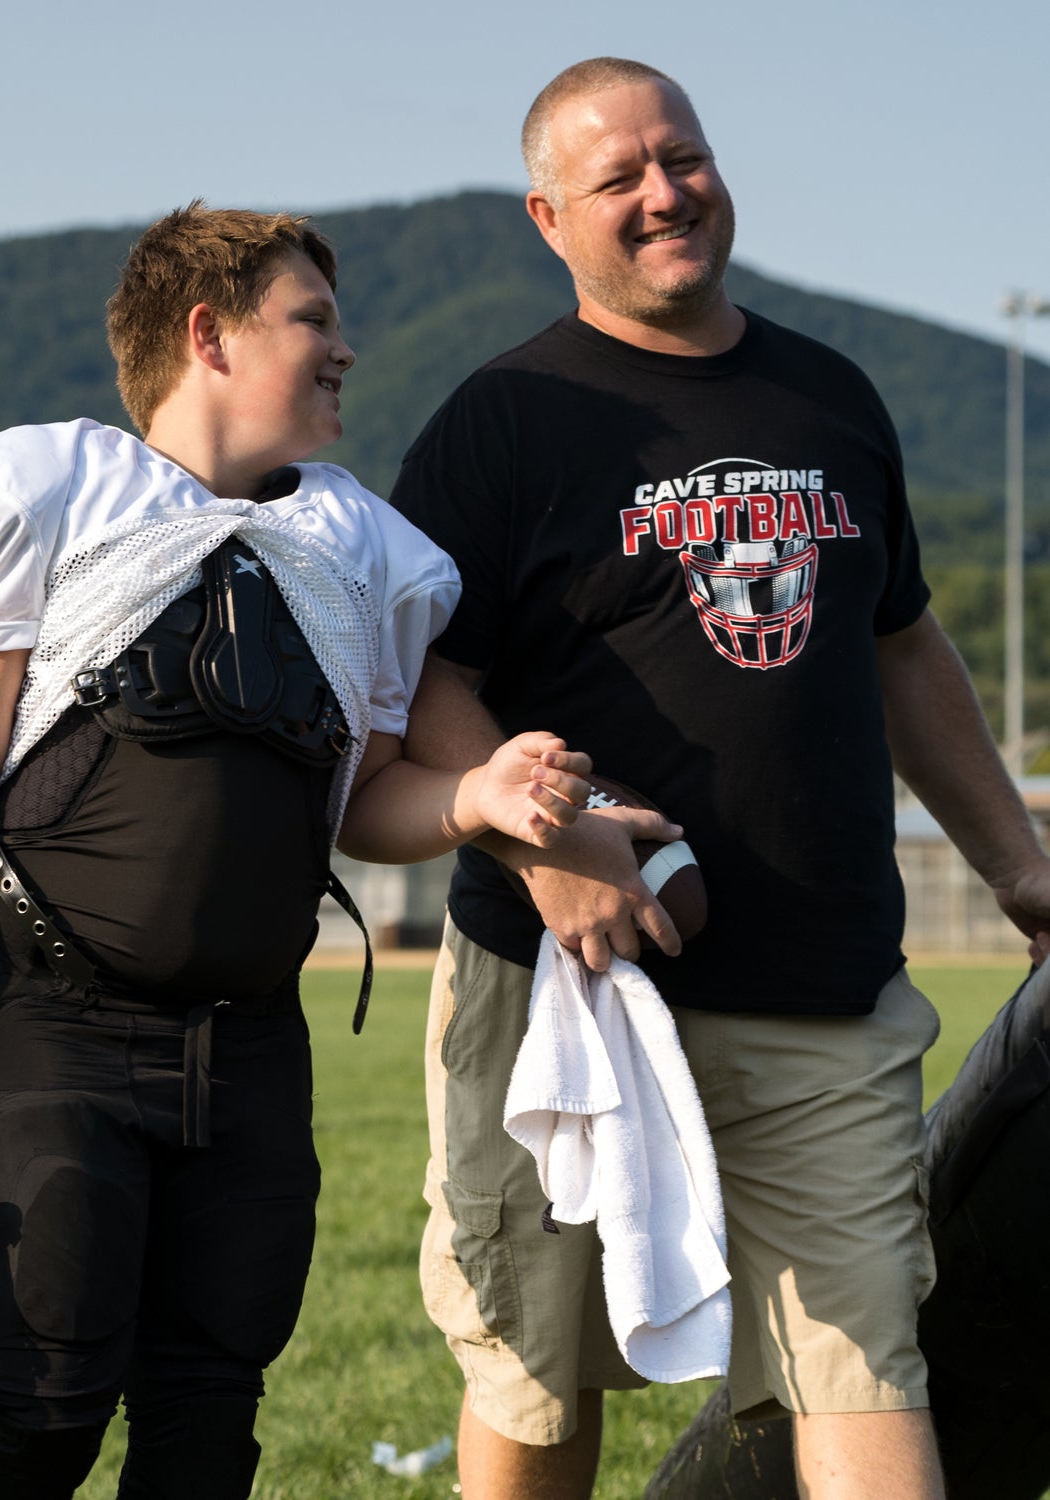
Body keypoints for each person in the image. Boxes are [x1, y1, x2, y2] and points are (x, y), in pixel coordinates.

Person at [0, 203, 589, 1500]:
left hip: (251, 1039)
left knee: (210, 1421)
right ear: (208, 334)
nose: (345, 351)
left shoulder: (363, 546)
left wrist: (472, 796)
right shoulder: (53, 491)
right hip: (50, 1021)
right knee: (47, 1399)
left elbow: (366, 801)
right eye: (313, 320)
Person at [390, 58, 1050, 1500]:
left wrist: (1016, 861)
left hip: (821, 987)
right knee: (533, 1369)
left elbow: (901, 640)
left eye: (678, 156)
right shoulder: (503, 420)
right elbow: (425, 681)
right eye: (617, 178)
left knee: (865, 1358)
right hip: (567, 990)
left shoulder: (828, 395)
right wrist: (543, 847)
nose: (662, 193)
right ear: (549, 217)